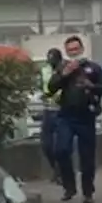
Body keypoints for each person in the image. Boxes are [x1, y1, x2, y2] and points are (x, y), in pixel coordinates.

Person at [47, 35, 102, 203]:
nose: (74, 52)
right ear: (66, 52)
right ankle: (69, 186)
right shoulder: (62, 68)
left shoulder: (93, 68)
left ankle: (88, 192)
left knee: (87, 157)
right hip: (66, 116)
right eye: (70, 50)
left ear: (82, 49)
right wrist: (64, 74)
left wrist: (92, 86)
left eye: (76, 49)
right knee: (61, 150)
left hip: (86, 116)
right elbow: (51, 88)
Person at [38, 48, 63, 183]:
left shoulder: (65, 70)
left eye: (52, 58)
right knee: (46, 145)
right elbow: (42, 86)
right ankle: (56, 169)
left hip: (61, 110)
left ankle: (60, 173)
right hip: (48, 109)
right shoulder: (44, 71)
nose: (50, 61)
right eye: (49, 58)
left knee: (60, 145)